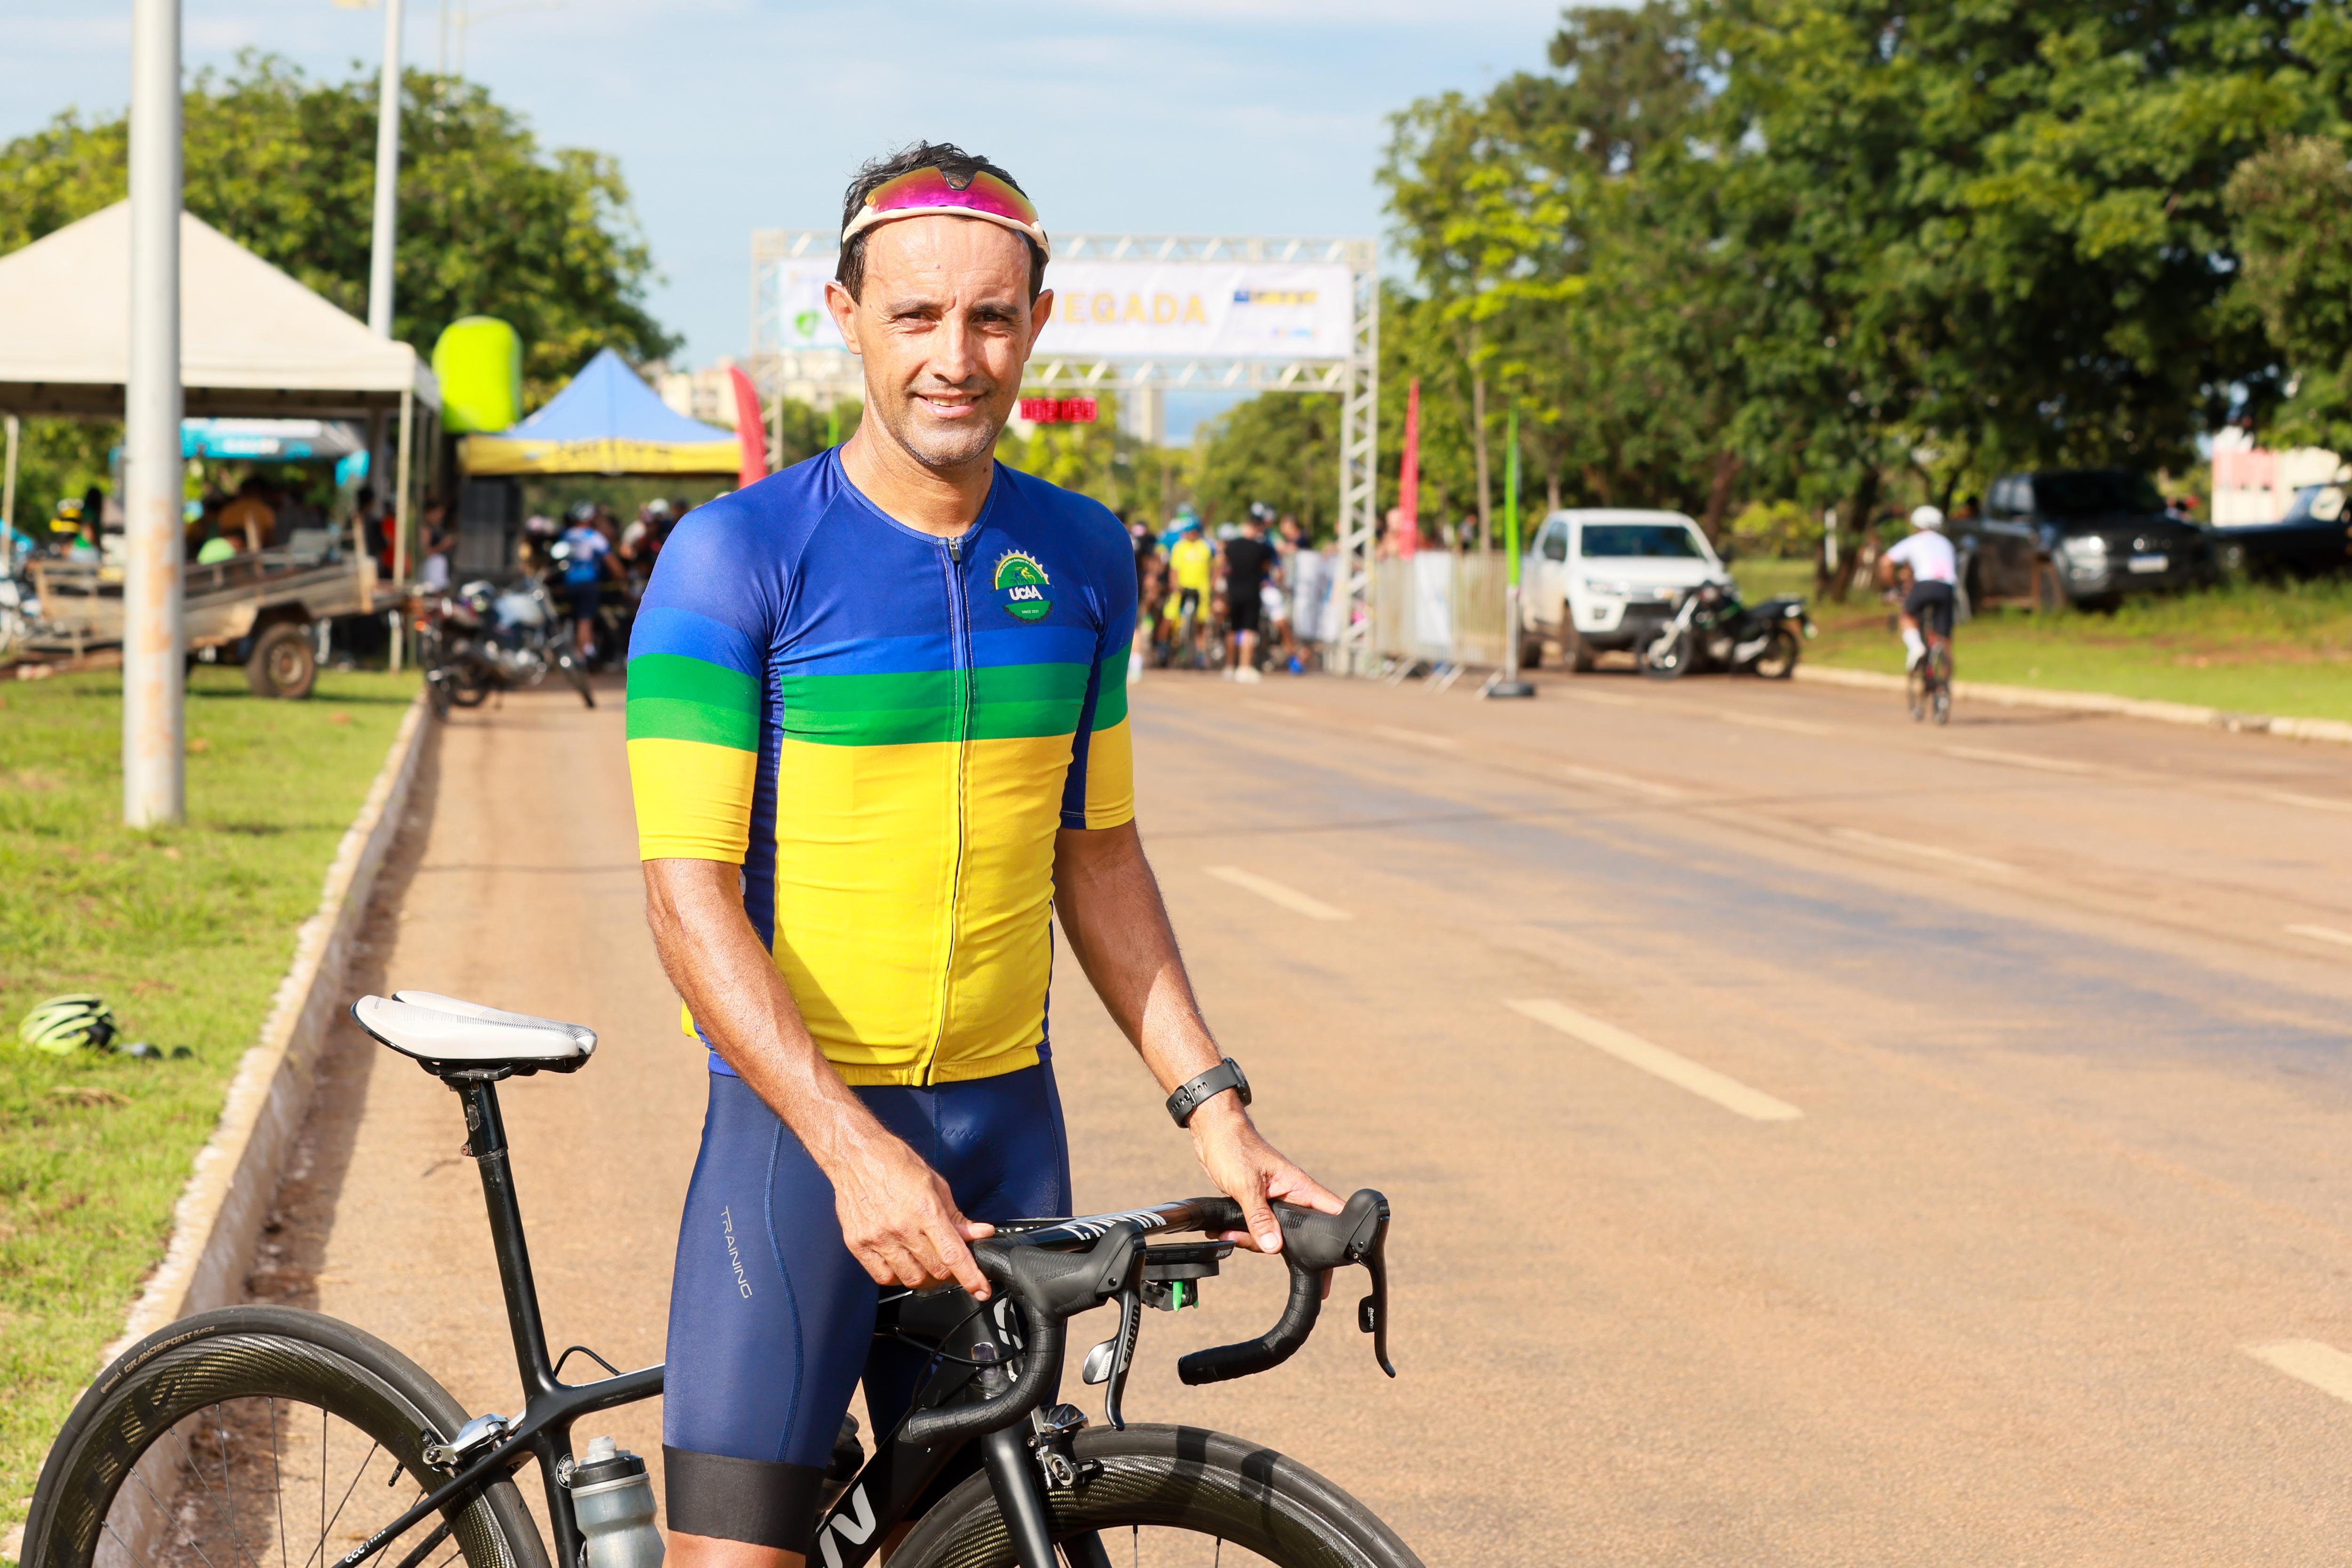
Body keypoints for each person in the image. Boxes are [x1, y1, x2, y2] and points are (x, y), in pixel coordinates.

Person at [626, 141, 1336, 1568]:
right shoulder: (734, 554)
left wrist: (1216, 1109)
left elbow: (1102, 857)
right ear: (843, 313)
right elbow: (686, 897)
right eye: (915, 317)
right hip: (798, 1145)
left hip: (1005, 1129)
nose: (955, 357)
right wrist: (853, 1150)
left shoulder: (1082, 556)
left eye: (990, 318)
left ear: (1035, 320)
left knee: (989, 1543)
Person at [1879, 503, 1957, 670]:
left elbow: (1886, 562)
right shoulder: (1947, 544)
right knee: (1945, 638)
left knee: (1907, 615)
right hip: (1947, 588)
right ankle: (1944, 689)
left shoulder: (1914, 541)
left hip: (1925, 585)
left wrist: (1893, 587)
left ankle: (1916, 648)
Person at [1220, 503, 1279, 683]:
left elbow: (1223, 566)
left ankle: (1230, 666)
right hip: (1252, 591)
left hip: (1233, 591)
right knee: (1249, 630)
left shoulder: (1231, 546)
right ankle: (1244, 667)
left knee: (1232, 629)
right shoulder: (1262, 548)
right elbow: (1267, 568)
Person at [557, 502, 613, 658]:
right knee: (585, 621)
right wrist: (623, 578)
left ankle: (578, 653)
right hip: (588, 583)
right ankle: (583, 655)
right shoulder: (593, 536)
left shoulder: (567, 535)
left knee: (576, 620)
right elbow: (610, 559)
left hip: (570, 583)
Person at [1167, 514, 1214, 667]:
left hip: (1201, 589)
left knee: (1201, 623)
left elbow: (1213, 568)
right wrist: (1175, 584)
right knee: (1172, 618)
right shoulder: (1179, 547)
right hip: (1182, 588)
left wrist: (1212, 585)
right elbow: (1174, 569)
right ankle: (1173, 648)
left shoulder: (1205, 547)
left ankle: (1200, 655)